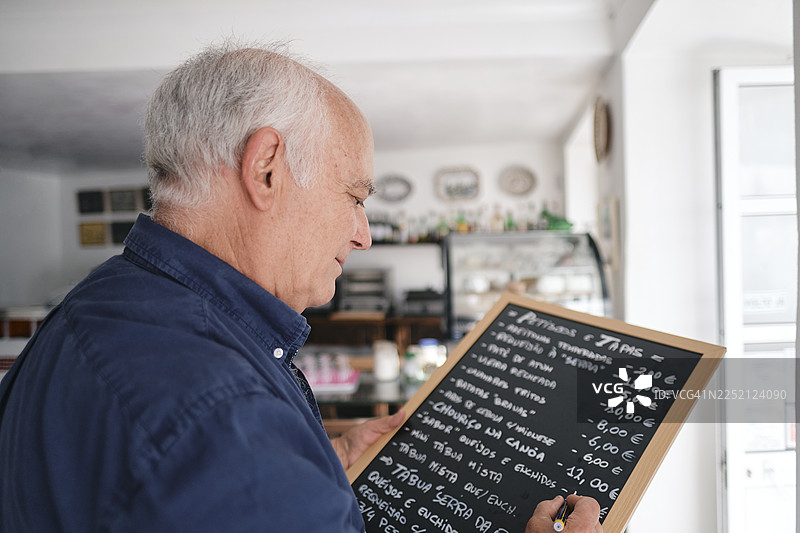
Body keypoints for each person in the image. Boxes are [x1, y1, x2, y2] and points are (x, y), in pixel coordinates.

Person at [0, 42, 602, 533]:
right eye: (356, 198)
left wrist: (319, 468)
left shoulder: (101, 299)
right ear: (266, 169)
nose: (364, 235)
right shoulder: (225, 421)